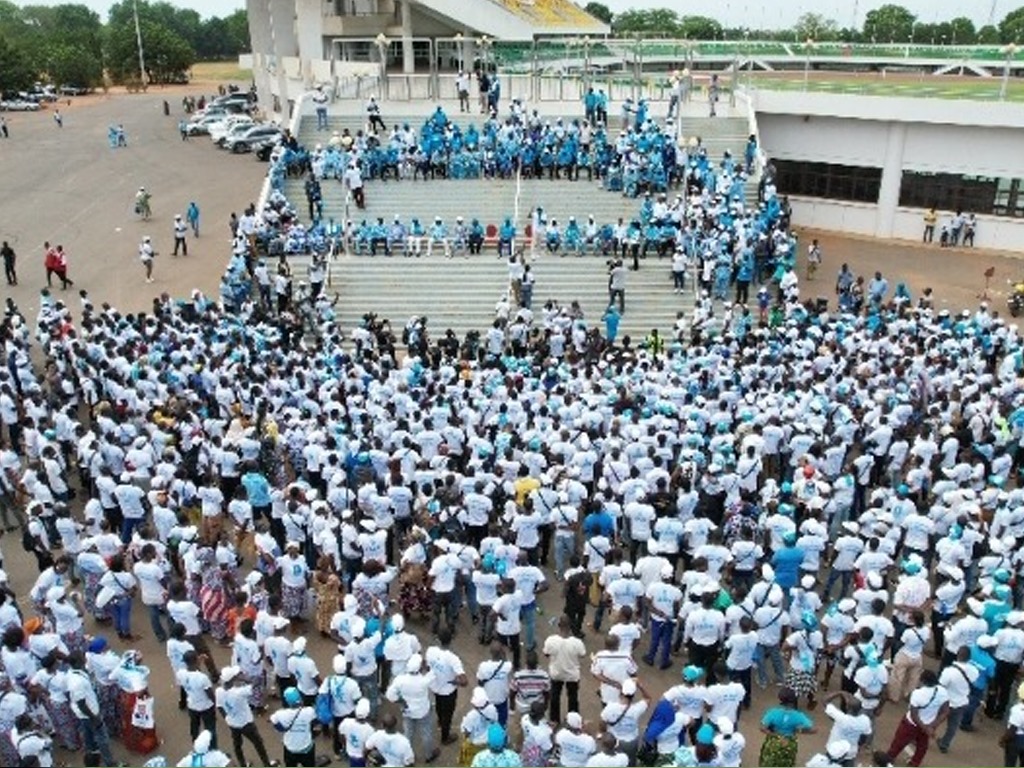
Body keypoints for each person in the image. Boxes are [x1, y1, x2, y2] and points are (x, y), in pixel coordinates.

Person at [758, 687, 816, 767]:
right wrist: (798, 730)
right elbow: (813, 729)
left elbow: (762, 727)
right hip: (789, 742)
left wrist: (773, 734)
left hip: (774, 741)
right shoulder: (799, 716)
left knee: (769, 762)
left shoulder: (773, 712)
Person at [270, 686, 317, 767]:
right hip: (306, 748)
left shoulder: (280, 714)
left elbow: (274, 721)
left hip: (290, 749)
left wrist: (283, 729)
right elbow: (316, 721)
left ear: (286, 701)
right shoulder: (309, 711)